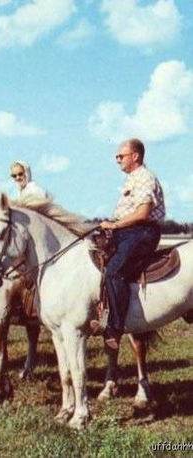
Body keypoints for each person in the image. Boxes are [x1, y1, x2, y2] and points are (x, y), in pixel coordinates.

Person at [94, 139, 165, 350]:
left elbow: (142, 213)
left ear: (135, 156)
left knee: (114, 272)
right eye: (117, 156)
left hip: (141, 233)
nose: (117, 160)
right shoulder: (133, 179)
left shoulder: (145, 178)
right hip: (128, 232)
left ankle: (115, 329)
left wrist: (114, 225)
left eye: (121, 156)